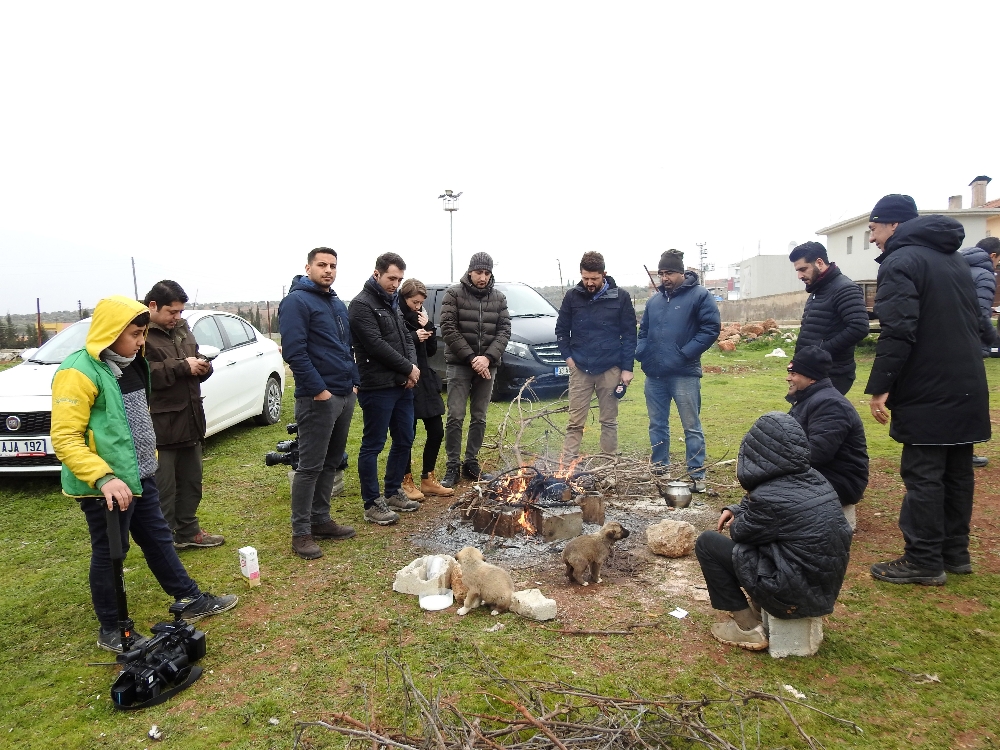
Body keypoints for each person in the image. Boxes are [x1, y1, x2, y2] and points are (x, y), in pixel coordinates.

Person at [51, 296, 237, 653]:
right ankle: (110, 627)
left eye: (143, 333)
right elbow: (65, 437)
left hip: (140, 475)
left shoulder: (134, 364)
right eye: (135, 334)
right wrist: (104, 478)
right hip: (106, 486)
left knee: (158, 538)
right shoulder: (77, 372)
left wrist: (142, 464)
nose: (141, 342)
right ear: (110, 331)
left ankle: (188, 597)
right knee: (109, 552)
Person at [865, 194, 990, 585]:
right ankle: (955, 553)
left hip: (927, 386)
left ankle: (922, 560)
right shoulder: (954, 260)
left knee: (924, 474)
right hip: (966, 382)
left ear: (893, 225)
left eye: (873, 229)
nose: (871, 239)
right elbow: (980, 322)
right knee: (957, 472)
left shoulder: (902, 261)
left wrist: (881, 386)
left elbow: (899, 330)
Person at [694, 412, 852, 651]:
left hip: (793, 594)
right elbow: (765, 503)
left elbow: (740, 532)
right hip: (818, 588)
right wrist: (738, 508)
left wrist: (739, 517)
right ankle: (759, 604)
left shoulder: (770, 499)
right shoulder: (814, 478)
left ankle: (746, 628)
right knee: (764, 541)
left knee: (708, 543)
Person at [279, 247, 360, 559]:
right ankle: (301, 532)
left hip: (344, 394)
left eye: (333, 266)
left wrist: (354, 383)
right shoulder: (296, 302)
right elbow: (294, 352)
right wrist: (319, 391)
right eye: (322, 265)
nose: (328, 270)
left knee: (331, 460)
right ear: (308, 267)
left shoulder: (336, 302)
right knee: (310, 466)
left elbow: (346, 346)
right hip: (318, 398)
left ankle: (322, 520)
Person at [142, 280, 223, 550]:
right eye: (172, 312)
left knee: (192, 482)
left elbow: (193, 357)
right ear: (153, 306)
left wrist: (203, 367)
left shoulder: (181, 329)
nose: (177, 318)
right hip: (160, 427)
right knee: (163, 490)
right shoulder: (138, 332)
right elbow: (141, 374)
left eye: (180, 313)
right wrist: (180, 367)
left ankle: (188, 531)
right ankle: (163, 544)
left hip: (190, 419)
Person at [635, 249, 720, 492]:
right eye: (661, 273)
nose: (665, 278)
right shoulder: (654, 301)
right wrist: (642, 352)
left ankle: (697, 475)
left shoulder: (700, 296)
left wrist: (684, 354)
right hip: (655, 374)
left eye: (669, 272)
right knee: (657, 424)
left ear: (681, 272)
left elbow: (710, 329)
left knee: (691, 425)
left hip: (684, 373)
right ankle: (660, 469)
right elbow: (643, 331)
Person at [349, 252, 422, 524]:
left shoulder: (391, 302)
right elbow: (375, 345)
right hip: (376, 386)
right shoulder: (361, 305)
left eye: (400, 279)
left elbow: (406, 338)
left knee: (405, 438)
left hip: (402, 385)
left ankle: (393, 491)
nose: (396, 284)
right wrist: (407, 368)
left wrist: (411, 369)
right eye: (392, 278)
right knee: (373, 444)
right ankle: (372, 502)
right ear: (377, 273)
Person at [555, 251, 637, 461]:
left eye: (594, 279)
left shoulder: (621, 298)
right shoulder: (572, 296)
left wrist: (627, 368)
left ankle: (608, 466)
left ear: (604, 274)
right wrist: (569, 359)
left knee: (609, 421)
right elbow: (561, 330)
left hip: (610, 368)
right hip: (580, 368)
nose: (589, 283)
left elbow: (629, 334)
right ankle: (566, 467)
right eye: (585, 278)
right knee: (575, 422)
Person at [439, 252, 511, 488]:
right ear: (470, 271)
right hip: (460, 364)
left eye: (487, 273)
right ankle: (452, 465)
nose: (482, 277)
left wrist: (488, 358)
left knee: (479, 416)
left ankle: (471, 462)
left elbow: (504, 331)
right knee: (455, 416)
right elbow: (448, 328)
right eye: (479, 272)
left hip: (487, 365)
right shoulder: (453, 294)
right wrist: (472, 358)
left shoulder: (499, 298)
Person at [785, 346, 868, 528]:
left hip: (842, 480)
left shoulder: (830, 404)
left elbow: (817, 453)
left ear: (812, 377)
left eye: (794, 373)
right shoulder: (808, 399)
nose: (788, 378)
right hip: (821, 474)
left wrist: (777, 463)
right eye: (789, 372)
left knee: (774, 491)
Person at [788, 241, 870, 395]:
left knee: (820, 416)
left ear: (819, 262)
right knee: (802, 416)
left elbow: (859, 327)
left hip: (832, 374)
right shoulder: (818, 290)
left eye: (803, 269)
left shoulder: (845, 288)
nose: (799, 276)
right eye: (797, 271)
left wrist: (820, 352)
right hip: (812, 371)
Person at [399, 278, 453, 499]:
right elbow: (392, 348)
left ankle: (428, 479)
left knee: (437, 431)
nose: (418, 306)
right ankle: (405, 480)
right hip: (405, 381)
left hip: (425, 380)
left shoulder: (421, 317)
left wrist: (428, 326)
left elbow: (430, 351)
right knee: (406, 434)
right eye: (414, 302)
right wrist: (413, 336)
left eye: (421, 303)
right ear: (405, 299)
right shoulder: (396, 316)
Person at [961, 237, 1000, 468]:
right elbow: (979, 314)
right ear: (993, 256)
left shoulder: (957, 264)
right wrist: (992, 340)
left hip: (949, 342)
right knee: (969, 400)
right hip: (969, 345)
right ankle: (965, 452)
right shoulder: (984, 274)